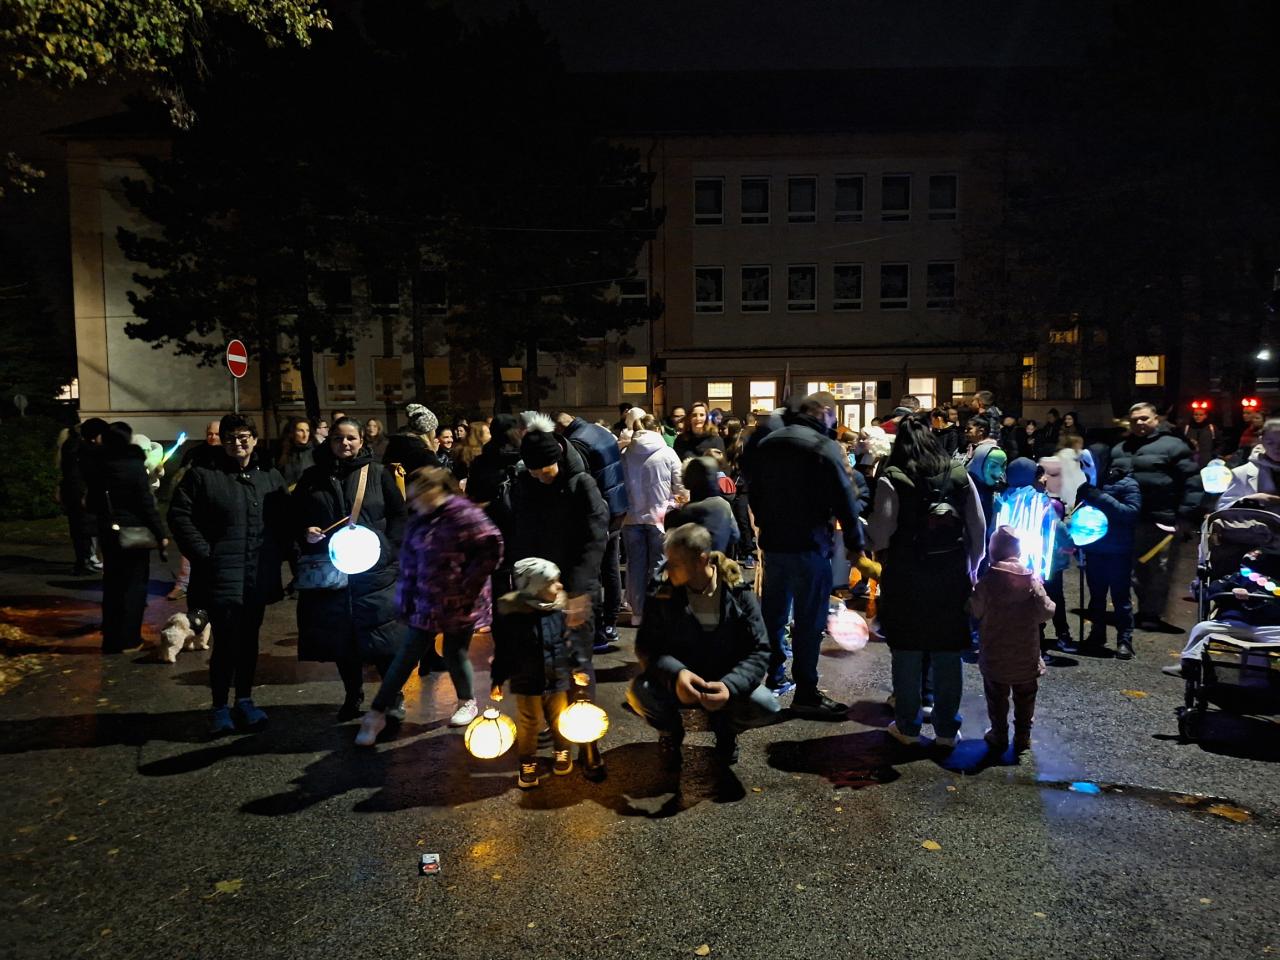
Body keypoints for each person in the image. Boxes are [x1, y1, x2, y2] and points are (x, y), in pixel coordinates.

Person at [488, 419, 609, 780]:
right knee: (537, 661)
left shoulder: (581, 484)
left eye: (547, 470)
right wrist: (520, 581)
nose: (542, 476)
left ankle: (587, 741)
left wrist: (577, 591)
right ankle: (552, 731)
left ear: (558, 458)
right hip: (534, 588)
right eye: (535, 471)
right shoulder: (522, 485)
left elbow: (595, 539)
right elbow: (515, 534)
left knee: (578, 667)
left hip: (573, 589)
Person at [355, 467, 502, 745]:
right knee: (406, 655)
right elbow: (409, 562)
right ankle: (376, 714)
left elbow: (492, 548)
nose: (415, 501)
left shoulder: (465, 515)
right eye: (413, 496)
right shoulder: (420, 520)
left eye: (420, 495)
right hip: (426, 601)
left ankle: (466, 701)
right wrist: (404, 599)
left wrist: (468, 585)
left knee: (454, 652)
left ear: (438, 491)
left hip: (460, 603)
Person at [869, 418, 986, 750]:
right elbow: (978, 526)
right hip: (950, 572)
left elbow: (881, 533)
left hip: (906, 574)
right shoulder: (959, 474)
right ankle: (947, 730)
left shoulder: (893, 477)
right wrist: (972, 568)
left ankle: (908, 726)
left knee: (907, 649)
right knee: (948, 649)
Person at [168, 414, 289, 733]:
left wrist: (290, 556)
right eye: (230, 437)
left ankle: (245, 700)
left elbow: (284, 520)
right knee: (225, 643)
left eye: (244, 436)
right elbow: (179, 516)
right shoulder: (203, 475)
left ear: (255, 439)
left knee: (249, 642)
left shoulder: (270, 476)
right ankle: (220, 706)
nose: (238, 443)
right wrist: (205, 553)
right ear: (222, 441)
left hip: (257, 574)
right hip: (220, 575)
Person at [748, 391, 864, 716]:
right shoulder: (823, 446)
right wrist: (855, 545)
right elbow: (845, 499)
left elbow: (754, 492)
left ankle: (773, 675)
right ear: (825, 412)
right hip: (810, 544)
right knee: (809, 621)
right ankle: (806, 691)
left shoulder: (769, 443)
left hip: (775, 544)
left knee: (774, 615)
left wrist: (766, 526)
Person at [627, 523, 780, 767]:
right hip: (682, 682)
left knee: (766, 704)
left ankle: (726, 731)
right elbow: (647, 646)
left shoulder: (737, 591)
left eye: (676, 563)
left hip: (723, 678)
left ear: (701, 560)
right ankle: (670, 733)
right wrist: (677, 675)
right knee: (640, 691)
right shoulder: (663, 590)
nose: (667, 569)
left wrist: (729, 686)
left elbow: (759, 650)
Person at [294, 417, 407, 721]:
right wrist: (306, 531)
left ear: (361, 441)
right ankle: (352, 694)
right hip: (333, 569)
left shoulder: (378, 473)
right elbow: (295, 515)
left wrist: (389, 549)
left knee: (384, 638)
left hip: (376, 572)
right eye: (338, 438)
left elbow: (399, 515)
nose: (344, 443)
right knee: (342, 639)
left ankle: (393, 696)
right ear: (329, 441)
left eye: (351, 438)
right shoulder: (313, 477)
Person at [1110, 402, 1198, 633]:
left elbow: (1192, 482)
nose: (1139, 422)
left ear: (1155, 419)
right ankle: (1141, 610)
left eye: (1144, 418)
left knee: (1158, 570)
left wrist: (1186, 515)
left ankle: (1151, 614)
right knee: (1133, 569)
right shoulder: (1120, 449)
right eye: (1135, 419)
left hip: (1161, 519)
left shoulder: (1174, 446)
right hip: (1128, 520)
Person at [488, 557, 575, 787]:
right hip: (526, 679)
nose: (559, 586)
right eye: (552, 582)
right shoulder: (514, 616)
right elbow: (504, 650)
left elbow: (566, 641)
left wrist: (575, 666)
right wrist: (498, 679)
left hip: (556, 676)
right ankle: (527, 760)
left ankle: (562, 750)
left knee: (559, 718)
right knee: (529, 722)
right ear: (535, 588)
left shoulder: (557, 610)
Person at [970, 525, 1055, 754]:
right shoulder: (1031, 580)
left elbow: (975, 609)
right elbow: (1047, 611)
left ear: (993, 550)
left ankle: (999, 734)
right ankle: (1022, 736)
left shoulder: (988, 581)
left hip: (995, 652)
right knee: (1025, 697)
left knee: (997, 697)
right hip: (1025, 654)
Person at [87, 422, 169, 654]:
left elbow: (92, 502)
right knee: (134, 587)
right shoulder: (134, 465)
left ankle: (111, 639)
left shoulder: (99, 466)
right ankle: (130, 640)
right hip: (134, 533)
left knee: (112, 586)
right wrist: (160, 533)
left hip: (109, 532)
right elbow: (146, 503)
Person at [556, 410, 629, 652]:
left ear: (559, 429)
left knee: (594, 571)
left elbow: (581, 480)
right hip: (617, 507)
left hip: (599, 512)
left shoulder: (577, 442)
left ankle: (598, 628)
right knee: (611, 568)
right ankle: (611, 623)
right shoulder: (600, 431)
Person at [1077, 444, 1142, 657]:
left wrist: (1098, 497)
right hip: (1094, 549)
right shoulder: (1088, 485)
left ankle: (1125, 640)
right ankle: (1097, 634)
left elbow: (1130, 513)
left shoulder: (1127, 484)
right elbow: (1079, 515)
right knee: (1096, 596)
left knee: (1121, 598)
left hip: (1118, 550)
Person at [621, 414, 684, 626]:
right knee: (659, 565)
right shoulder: (668, 453)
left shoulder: (625, 454)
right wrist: (674, 504)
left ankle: (637, 614)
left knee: (635, 566)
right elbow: (680, 487)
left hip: (631, 518)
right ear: (657, 429)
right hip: (660, 518)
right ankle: (656, 612)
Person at [165, 420, 225, 600]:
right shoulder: (195, 453)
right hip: (196, 506)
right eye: (210, 434)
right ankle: (183, 584)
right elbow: (181, 477)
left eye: (217, 434)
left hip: (219, 507)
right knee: (190, 546)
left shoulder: (228, 454)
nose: (212, 437)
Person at [665, 455, 739, 554]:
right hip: (718, 559)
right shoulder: (724, 504)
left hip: (694, 561)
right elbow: (735, 536)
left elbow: (672, 536)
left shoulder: (689, 510)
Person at [58, 419, 105, 575]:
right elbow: (79, 474)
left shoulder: (73, 446)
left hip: (76, 494)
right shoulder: (81, 449)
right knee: (84, 528)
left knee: (81, 528)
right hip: (80, 495)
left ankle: (85, 560)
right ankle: (85, 561)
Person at [1217, 417, 1280, 510]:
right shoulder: (1242, 473)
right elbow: (1223, 509)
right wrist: (1249, 500)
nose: (1277, 448)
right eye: (1270, 443)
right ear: (1261, 440)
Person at [965, 417, 1007, 548]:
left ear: (981, 430)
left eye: (969, 429)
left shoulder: (993, 452)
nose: (966, 432)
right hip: (973, 497)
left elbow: (993, 480)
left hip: (983, 498)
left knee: (981, 535)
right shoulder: (973, 448)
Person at [466, 413, 524, 506]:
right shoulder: (525, 457)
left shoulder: (481, 461)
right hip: (520, 511)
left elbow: (472, 493)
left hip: (490, 510)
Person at [383, 403, 443, 478]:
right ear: (428, 432)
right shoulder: (420, 451)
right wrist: (432, 452)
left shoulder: (395, 443)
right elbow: (440, 473)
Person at [277, 417, 315, 490]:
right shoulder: (283, 452)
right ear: (292, 433)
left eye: (307, 431)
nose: (305, 435)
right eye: (301, 431)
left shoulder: (315, 452)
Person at [1181, 404, 1221, 469]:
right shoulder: (1186, 428)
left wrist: (1214, 454)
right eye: (1196, 414)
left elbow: (1220, 443)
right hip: (1189, 461)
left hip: (1207, 461)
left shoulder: (1212, 428)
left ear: (1205, 416)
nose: (1198, 417)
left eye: (1201, 415)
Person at [452, 420, 489, 484]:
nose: (490, 435)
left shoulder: (487, 450)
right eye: (488, 432)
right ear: (478, 434)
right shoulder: (469, 454)